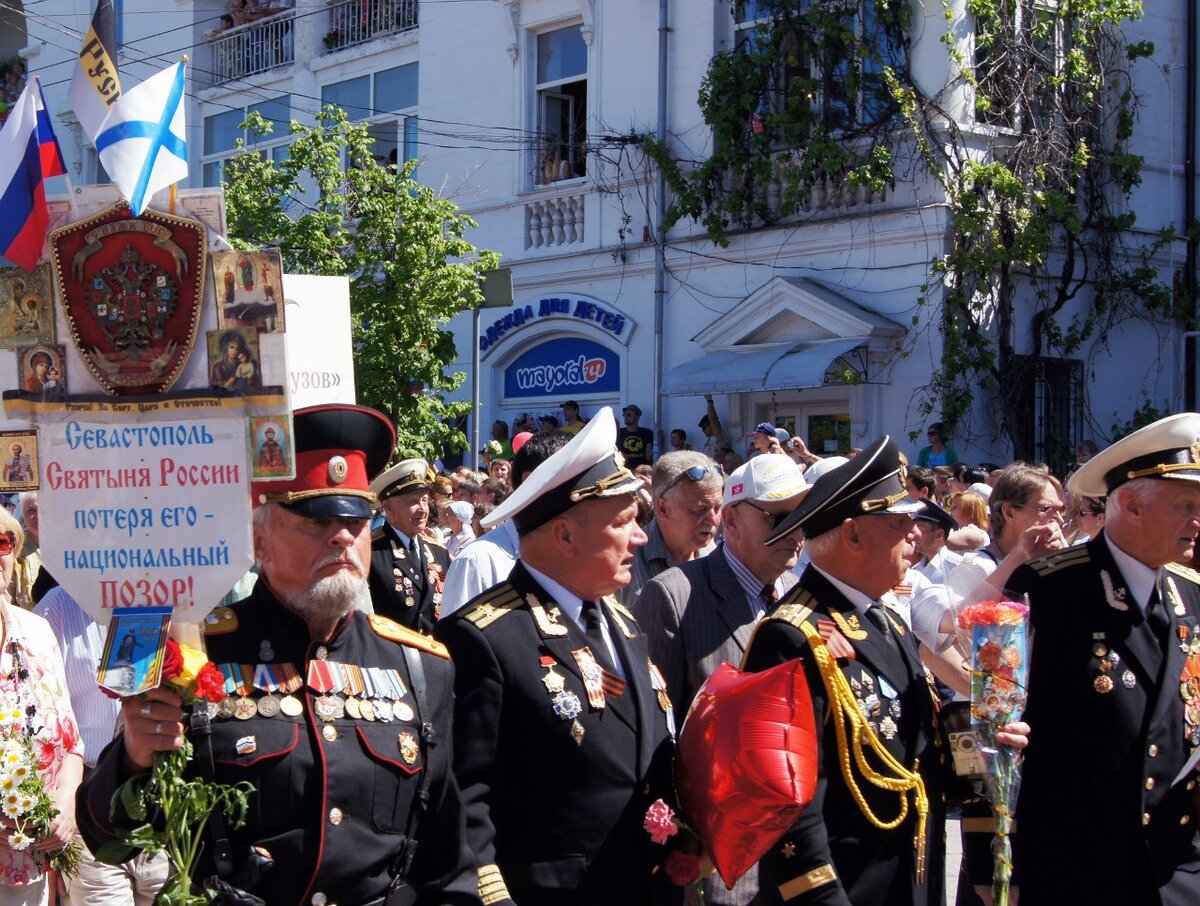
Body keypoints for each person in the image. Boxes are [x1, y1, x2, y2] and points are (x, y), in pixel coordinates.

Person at [78, 404, 479, 905]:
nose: (341, 537)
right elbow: (102, 831)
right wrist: (134, 760)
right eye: (316, 522)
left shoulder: (420, 667)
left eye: (355, 522)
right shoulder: (196, 651)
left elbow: (446, 860)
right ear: (259, 540)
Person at [742, 437, 1028, 905]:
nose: (914, 535)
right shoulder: (790, 636)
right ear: (853, 535)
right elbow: (787, 809)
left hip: (911, 883)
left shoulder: (887, 619)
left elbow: (917, 757)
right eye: (899, 523)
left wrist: (987, 745)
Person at [434, 408, 680, 905]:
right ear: (565, 535)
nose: (641, 537)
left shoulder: (623, 624)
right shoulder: (487, 637)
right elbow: (465, 799)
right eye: (625, 522)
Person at [1006, 413, 1200, 904]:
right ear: (1131, 505)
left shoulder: (1191, 595)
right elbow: (1001, 727)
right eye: (1186, 506)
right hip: (1081, 864)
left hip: (1177, 866)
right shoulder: (1049, 589)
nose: (1198, 522)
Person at [635, 454, 808, 906]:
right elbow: (656, 738)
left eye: (802, 517)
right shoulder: (673, 595)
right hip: (714, 864)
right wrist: (684, 845)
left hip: (797, 861)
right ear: (731, 521)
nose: (796, 531)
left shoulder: (798, 598)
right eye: (779, 518)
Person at [35, 586, 168, 904]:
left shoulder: (178, 593)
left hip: (166, 808)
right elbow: (38, 722)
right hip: (88, 809)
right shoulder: (58, 608)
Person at [0, 507, 84, 904]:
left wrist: (65, 801)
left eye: (2, 542)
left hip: (31, 862)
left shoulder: (37, 630)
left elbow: (71, 742)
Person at [439, 432, 569, 619]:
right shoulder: (477, 561)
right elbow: (454, 643)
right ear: (532, 482)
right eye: (570, 481)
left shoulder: (576, 557)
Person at [618, 452, 723, 607]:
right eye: (699, 509)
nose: (713, 519)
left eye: (717, 508)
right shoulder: (625, 565)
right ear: (663, 508)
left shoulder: (716, 555)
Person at [367, 459, 450, 633]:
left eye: (425, 500)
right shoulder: (371, 553)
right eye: (413, 502)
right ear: (388, 507)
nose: (422, 509)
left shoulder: (438, 551)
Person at [911, 498, 963, 584]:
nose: (914, 535)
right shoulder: (915, 569)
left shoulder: (958, 568)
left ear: (939, 534)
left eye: (920, 530)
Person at [619, 404, 655, 469]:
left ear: (637, 416)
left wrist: (659, 441)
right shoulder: (620, 432)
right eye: (624, 415)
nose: (626, 417)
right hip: (624, 470)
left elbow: (648, 456)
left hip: (642, 470)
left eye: (629, 415)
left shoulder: (647, 433)